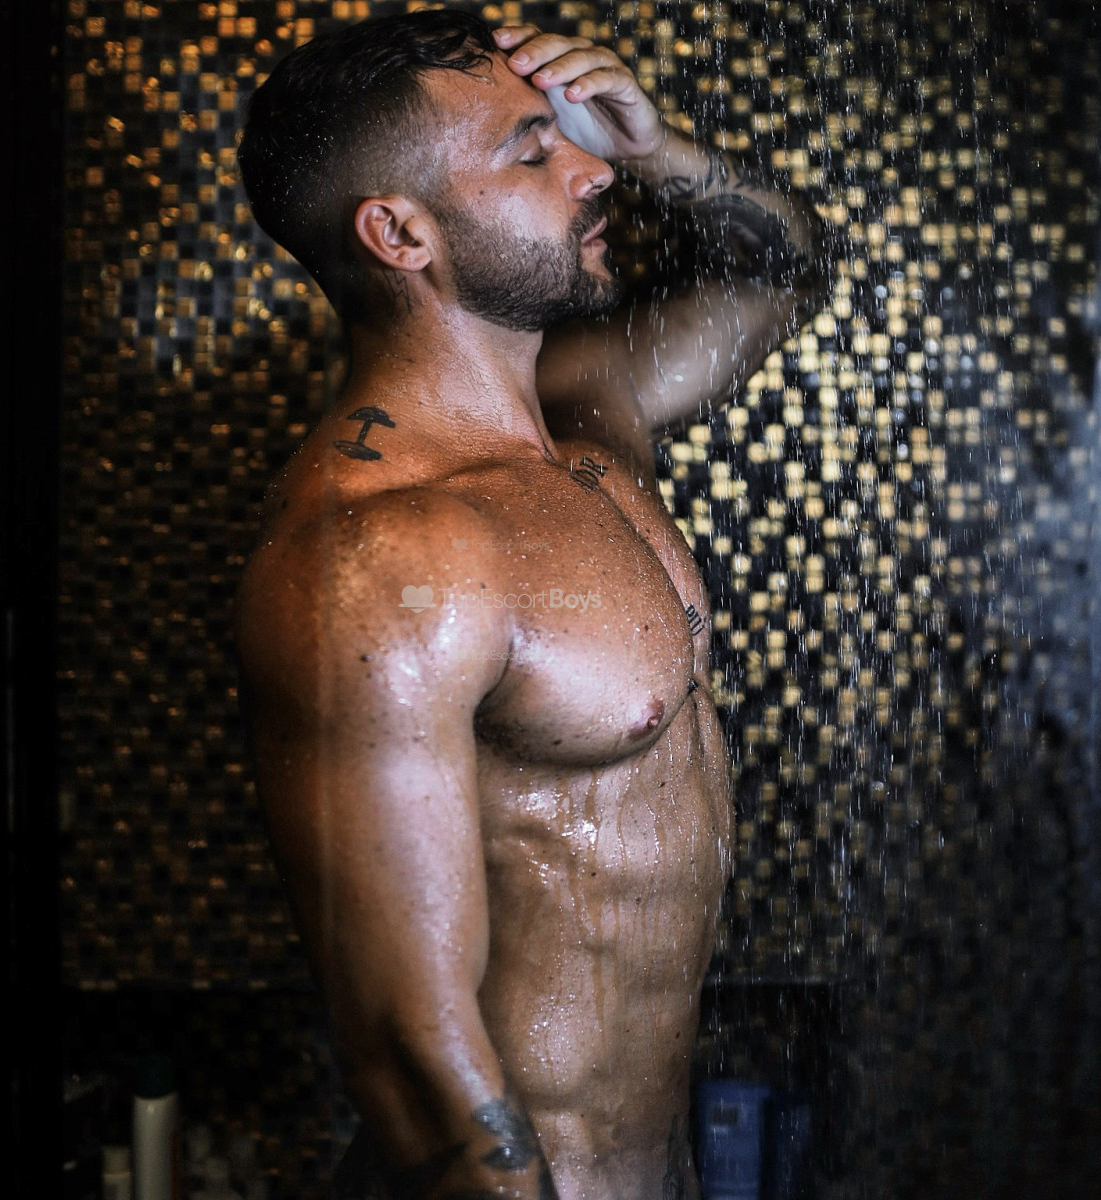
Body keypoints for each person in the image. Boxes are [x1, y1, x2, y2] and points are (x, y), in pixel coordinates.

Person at [234, 9, 827, 1199]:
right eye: (530, 149)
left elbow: (789, 271)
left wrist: (665, 152)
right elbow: (410, 1060)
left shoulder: (585, 408)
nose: (591, 170)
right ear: (400, 233)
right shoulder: (381, 559)